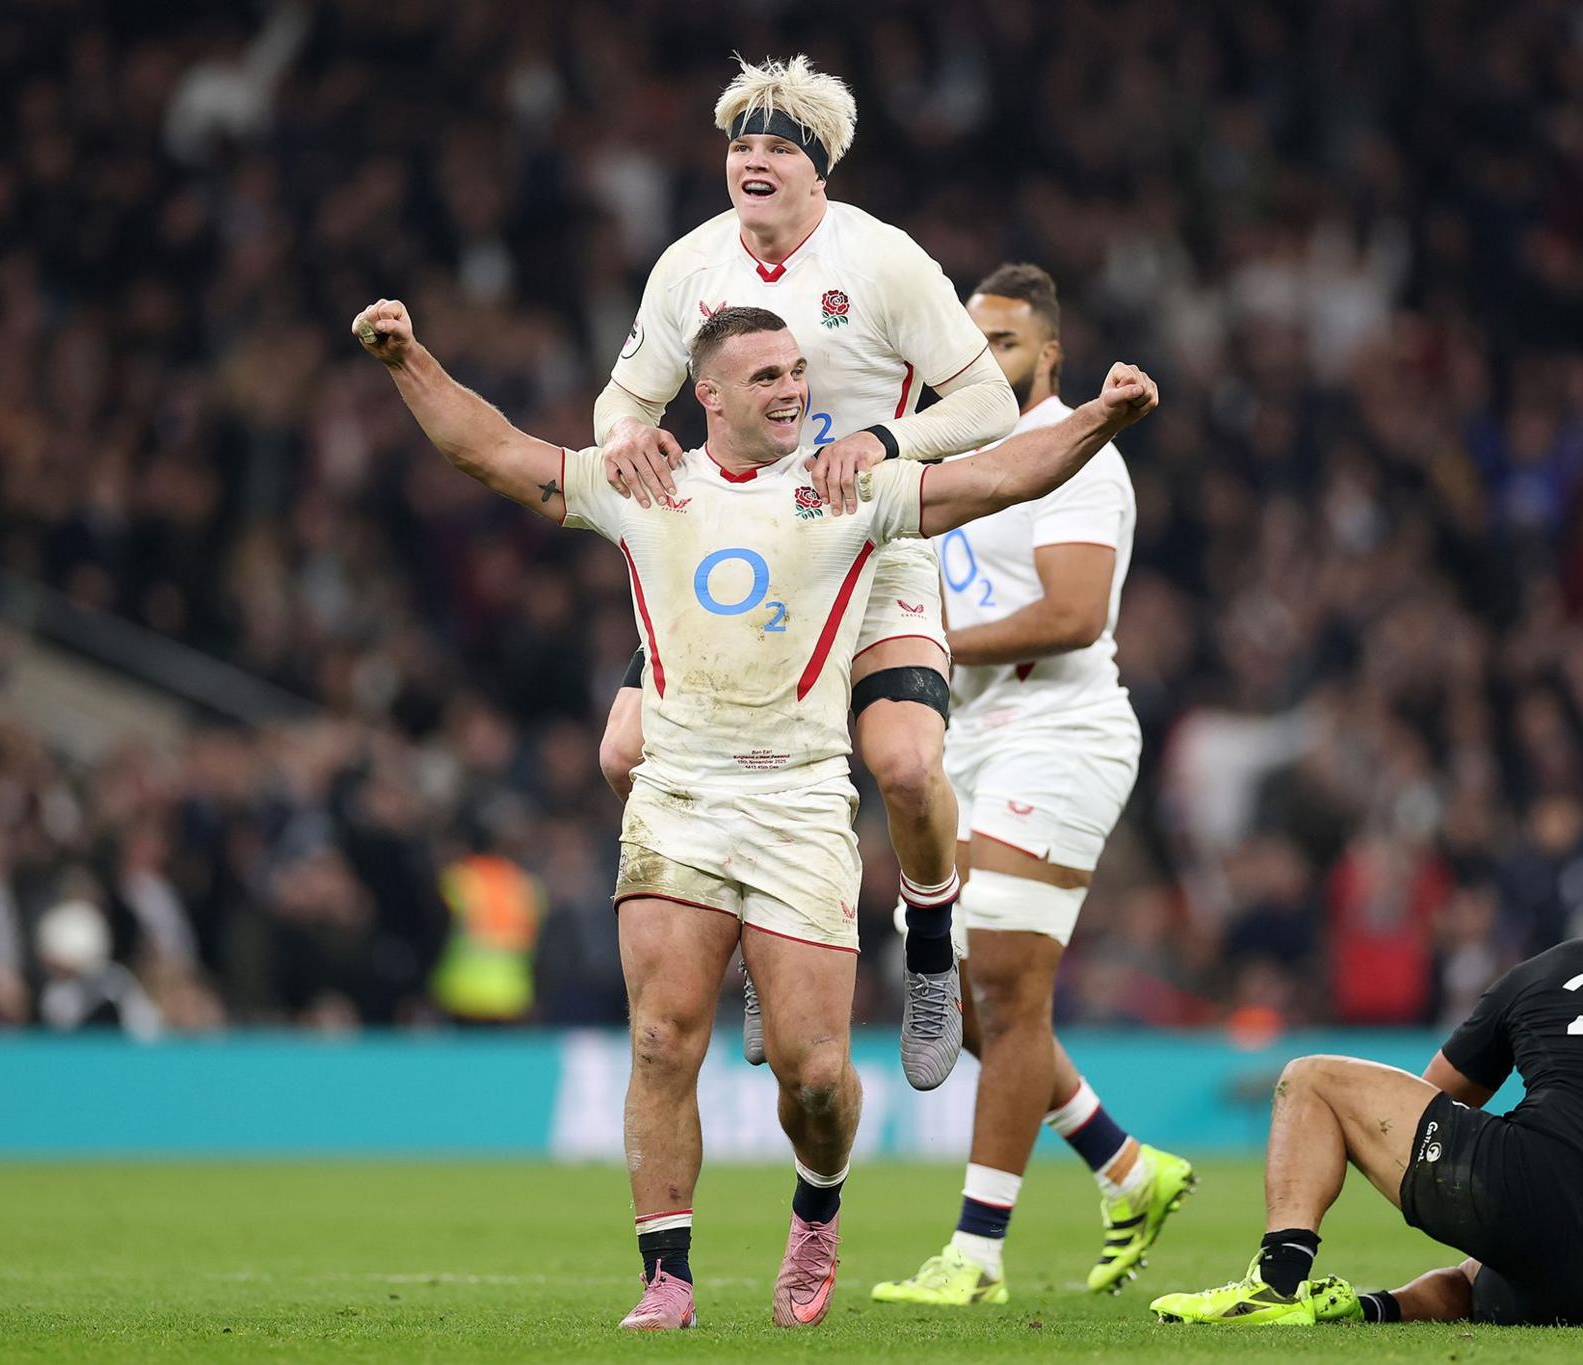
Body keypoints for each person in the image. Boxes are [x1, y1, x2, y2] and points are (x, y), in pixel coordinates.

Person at [351, 296, 1157, 1332]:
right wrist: (407, 360)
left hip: (800, 806)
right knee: (658, 1041)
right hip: (679, 799)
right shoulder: (645, 483)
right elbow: (495, 452)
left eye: (797, 372)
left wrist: (1097, 419)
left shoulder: (847, 488)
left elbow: (996, 477)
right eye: (767, 376)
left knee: (815, 1074)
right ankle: (666, 1278)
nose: (793, 390)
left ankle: (816, 1212)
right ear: (709, 394)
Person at [593, 55, 1020, 1090]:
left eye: (776, 148)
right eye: (740, 145)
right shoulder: (690, 265)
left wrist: (884, 440)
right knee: (622, 754)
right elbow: (623, 398)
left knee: (906, 766)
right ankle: (755, 923)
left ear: (817, 170)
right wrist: (624, 439)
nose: (753, 161)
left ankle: (929, 950)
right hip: (738, 553)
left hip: (868, 546)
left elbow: (990, 403)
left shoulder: (882, 261)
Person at [1149, 846, 1583, 1331]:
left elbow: (1431, 1096)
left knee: (1310, 1078)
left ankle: (1275, 1284)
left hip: (1527, 1185)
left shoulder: (1545, 969)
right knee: (1475, 1281)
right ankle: (1368, 1310)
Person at [873, 264, 1190, 1308]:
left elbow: (1074, 614)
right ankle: (1125, 1167)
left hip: (1059, 731)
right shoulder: (950, 461)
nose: (984, 361)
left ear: (1048, 355)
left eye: (1005, 344)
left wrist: (932, 640)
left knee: (1006, 987)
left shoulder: (1078, 457)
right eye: (973, 345)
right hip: (967, 741)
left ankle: (975, 1256)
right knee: (949, 987)